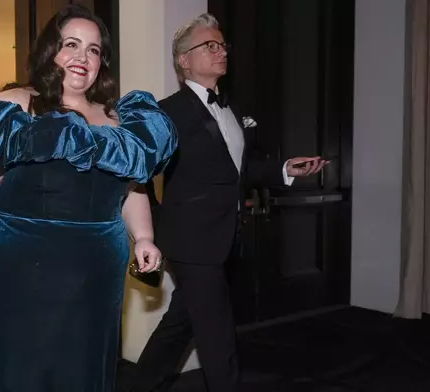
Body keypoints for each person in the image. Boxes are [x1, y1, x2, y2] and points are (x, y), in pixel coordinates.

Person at [0, 5, 177, 391]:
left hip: (96, 277)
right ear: (50, 50)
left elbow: (132, 185)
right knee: (17, 374)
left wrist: (144, 237)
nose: (83, 57)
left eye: (94, 49)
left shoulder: (118, 119)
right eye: (71, 44)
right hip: (20, 274)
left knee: (84, 374)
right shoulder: (17, 105)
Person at [131, 13, 326, 392]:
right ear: (184, 60)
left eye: (222, 45)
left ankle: (138, 384)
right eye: (210, 45)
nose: (221, 52)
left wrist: (285, 169)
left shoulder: (232, 109)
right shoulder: (166, 111)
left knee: (182, 322)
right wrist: (153, 229)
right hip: (191, 241)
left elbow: (239, 170)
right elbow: (137, 173)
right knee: (218, 334)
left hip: (226, 236)